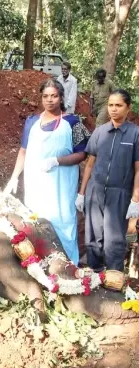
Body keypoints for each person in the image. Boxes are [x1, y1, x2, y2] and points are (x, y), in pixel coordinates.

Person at [4, 79, 90, 264]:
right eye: (45, 96)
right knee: (35, 223)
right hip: (36, 184)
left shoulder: (73, 122)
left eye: (54, 96)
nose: (49, 100)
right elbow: (23, 151)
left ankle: (69, 267)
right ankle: (38, 266)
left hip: (61, 186)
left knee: (63, 222)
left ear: (61, 98)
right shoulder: (32, 122)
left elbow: (83, 154)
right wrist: (14, 177)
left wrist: (57, 161)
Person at [76, 89, 139, 272]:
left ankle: (114, 279)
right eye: (110, 105)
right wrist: (82, 193)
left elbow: (138, 169)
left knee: (114, 241)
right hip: (95, 191)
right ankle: (95, 274)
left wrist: (135, 199)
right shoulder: (100, 132)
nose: (114, 109)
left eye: (118, 105)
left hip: (120, 193)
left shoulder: (135, 134)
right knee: (93, 238)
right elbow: (89, 164)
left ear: (128, 108)